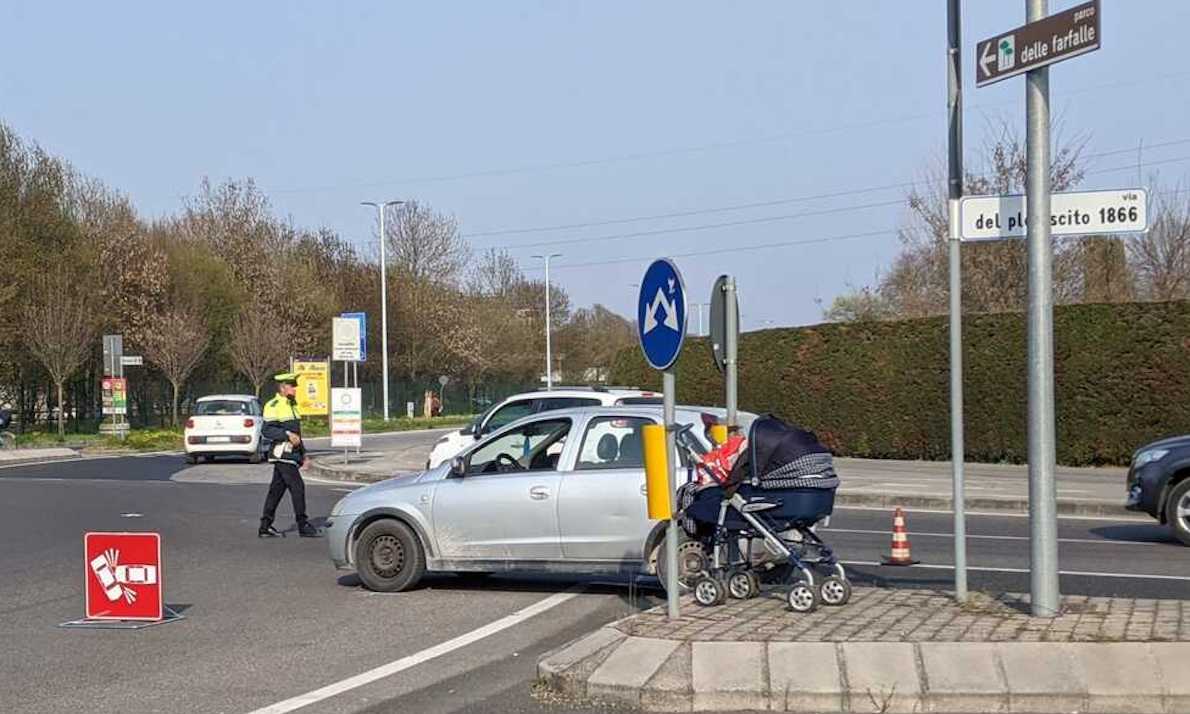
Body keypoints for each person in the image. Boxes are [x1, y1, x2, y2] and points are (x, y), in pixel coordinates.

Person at [258, 372, 319, 538]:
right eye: (292, 386)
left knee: (276, 491)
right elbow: (267, 430)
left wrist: (304, 455)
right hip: (282, 454)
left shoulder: (293, 405)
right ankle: (303, 525)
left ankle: (265, 526)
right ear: (283, 387)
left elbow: (297, 435)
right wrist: (286, 435)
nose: (295, 389)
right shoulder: (274, 404)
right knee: (297, 487)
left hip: (292, 455)